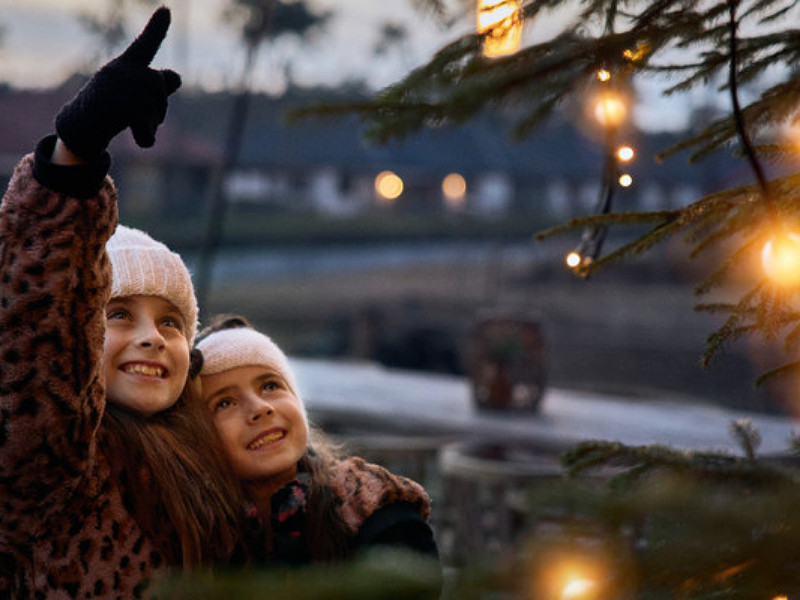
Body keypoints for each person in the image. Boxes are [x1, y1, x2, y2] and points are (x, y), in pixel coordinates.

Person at [0, 7, 245, 598]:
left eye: (171, 322)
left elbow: (299, 472)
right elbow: (36, 330)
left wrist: (378, 509)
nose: (151, 336)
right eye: (117, 314)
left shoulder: (204, 453)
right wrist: (73, 158)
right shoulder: (50, 460)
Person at [194, 315, 440, 565]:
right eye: (224, 403)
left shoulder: (369, 505)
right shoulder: (192, 536)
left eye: (270, 386)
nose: (260, 408)